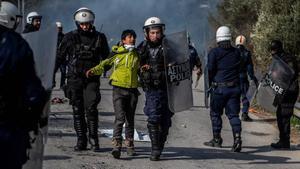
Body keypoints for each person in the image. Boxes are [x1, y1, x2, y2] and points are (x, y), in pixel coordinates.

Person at [0, 1, 47, 168]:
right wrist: (35, 115)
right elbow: (33, 89)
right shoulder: (15, 44)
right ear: (10, 19)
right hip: (8, 122)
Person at [56, 7, 109, 152]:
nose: (85, 26)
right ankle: (81, 140)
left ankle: (94, 139)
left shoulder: (100, 37)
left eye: (87, 23)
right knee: (77, 109)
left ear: (92, 22)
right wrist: (50, 76)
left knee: (91, 108)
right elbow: (59, 58)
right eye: (82, 24)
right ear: (77, 23)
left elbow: (107, 59)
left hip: (91, 79)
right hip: (74, 79)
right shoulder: (69, 37)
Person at [86, 29, 140, 159]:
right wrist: (94, 71)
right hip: (118, 90)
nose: (132, 39)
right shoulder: (116, 53)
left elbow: (142, 69)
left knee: (130, 119)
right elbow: (105, 64)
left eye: (133, 37)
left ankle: (130, 144)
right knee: (120, 118)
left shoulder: (138, 54)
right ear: (123, 40)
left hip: (132, 90)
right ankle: (117, 145)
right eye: (129, 37)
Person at [138, 17, 174, 161]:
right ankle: (155, 149)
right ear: (147, 33)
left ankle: (160, 144)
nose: (155, 36)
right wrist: (143, 71)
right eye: (152, 33)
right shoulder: (142, 47)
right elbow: (136, 66)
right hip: (152, 89)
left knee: (166, 120)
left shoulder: (169, 47)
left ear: (162, 32)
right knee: (153, 117)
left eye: (157, 32)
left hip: (168, 89)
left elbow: (179, 67)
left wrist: (163, 72)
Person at [204, 26, 242, 152]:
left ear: (218, 38)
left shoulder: (214, 53)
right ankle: (237, 138)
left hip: (219, 89)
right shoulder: (237, 52)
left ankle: (217, 139)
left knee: (215, 114)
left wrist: (210, 85)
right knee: (233, 115)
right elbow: (240, 69)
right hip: (234, 89)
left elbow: (210, 70)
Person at [269, 40, 299, 149]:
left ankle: (285, 142)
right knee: (280, 115)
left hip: (289, 91)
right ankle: (283, 140)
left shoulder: (288, 59)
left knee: (284, 116)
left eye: (274, 50)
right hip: (282, 90)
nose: (272, 53)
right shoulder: (279, 58)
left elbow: (291, 74)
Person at [235, 35, 258, 121]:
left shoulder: (232, 52)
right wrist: (253, 78)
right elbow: (249, 68)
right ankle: (244, 114)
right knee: (245, 97)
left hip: (234, 78)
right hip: (243, 78)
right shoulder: (247, 53)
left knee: (235, 96)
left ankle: (234, 113)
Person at [53, 21, 66, 89]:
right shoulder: (52, 37)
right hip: (55, 57)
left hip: (63, 57)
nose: (59, 29)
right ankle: (53, 83)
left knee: (63, 72)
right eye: (58, 28)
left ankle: (62, 84)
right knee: (53, 71)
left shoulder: (64, 37)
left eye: (60, 28)